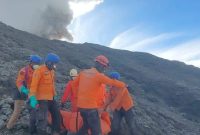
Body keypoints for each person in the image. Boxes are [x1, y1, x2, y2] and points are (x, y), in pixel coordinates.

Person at [74, 55, 126, 135]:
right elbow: (112, 82)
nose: (104, 69)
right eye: (104, 66)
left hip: (81, 107)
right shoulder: (99, 76)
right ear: (100, 64)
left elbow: (74, 85)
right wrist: (124, 85)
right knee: (97, 131)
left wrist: (80, 97)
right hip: (91, 109)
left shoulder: (83, 72)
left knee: (85, 126)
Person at [6, 55, 42, 130]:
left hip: (29, 92)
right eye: (35, 63)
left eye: (38, 63)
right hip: (20, 93)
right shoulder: (24, 70)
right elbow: (19, 83)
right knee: (17, 112)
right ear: (31, 62)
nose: (37, 65)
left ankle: (33, 126)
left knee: (34, 107)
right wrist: (26, 92)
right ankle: (9, 127)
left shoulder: (37, 70)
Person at [29, 53, 61, 135]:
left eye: (55, 64)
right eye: (54, 64)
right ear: (49, 62)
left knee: (57, 115)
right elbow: (33, 86)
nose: (55, 66)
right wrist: (33, 100)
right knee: (43, 119)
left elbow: (52, 85)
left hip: (51, 98)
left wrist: (54, 96)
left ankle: (55, 132)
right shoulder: (39, 70)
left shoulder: (52, 71)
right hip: (42, 99)